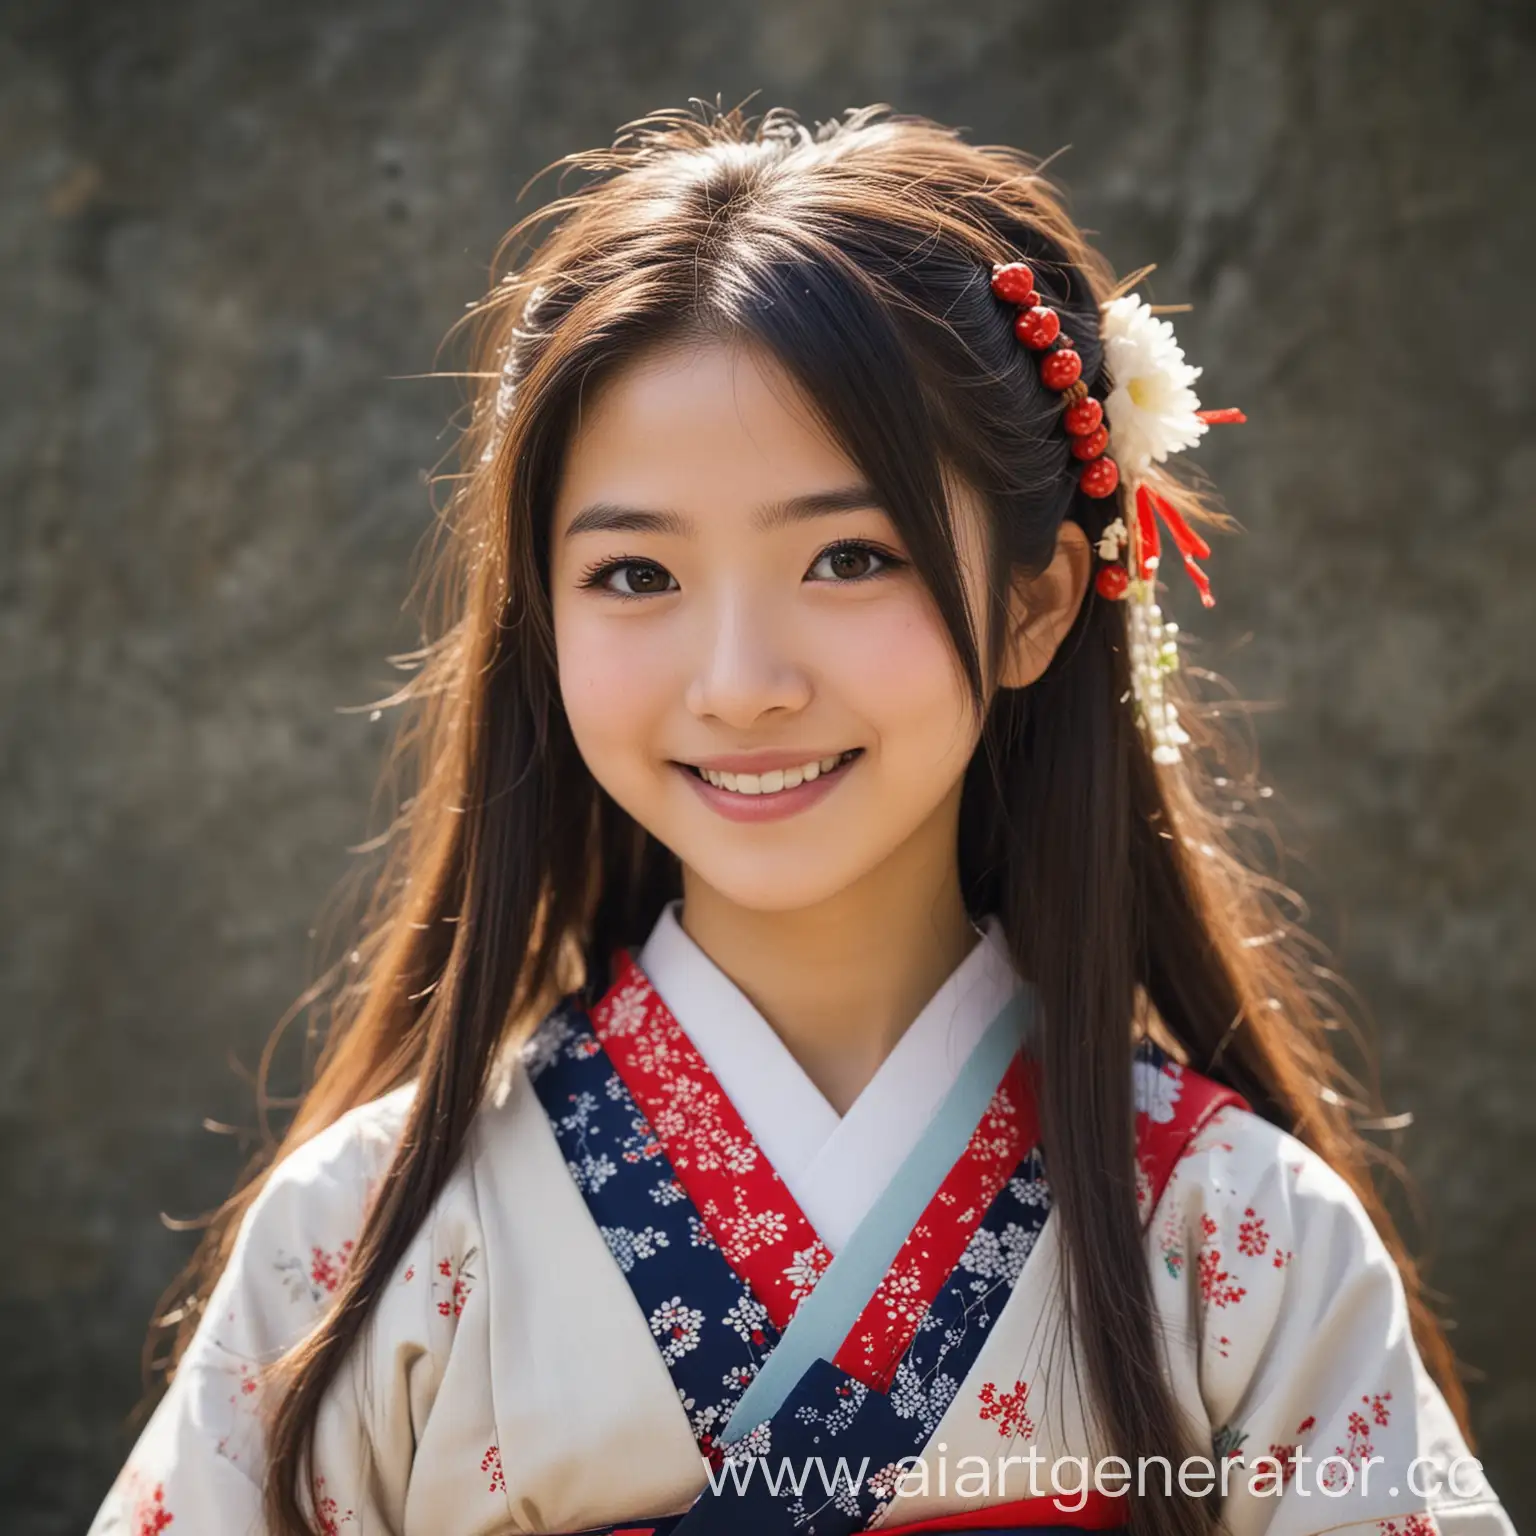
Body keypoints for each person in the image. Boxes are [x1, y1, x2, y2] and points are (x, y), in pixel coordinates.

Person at [88, 103, 1514, 1536]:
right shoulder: (362, 1245)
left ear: (1035, 602)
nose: (741, 685)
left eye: (848, 557)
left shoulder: (1236, 1240)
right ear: (541, 620)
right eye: (636, 576)